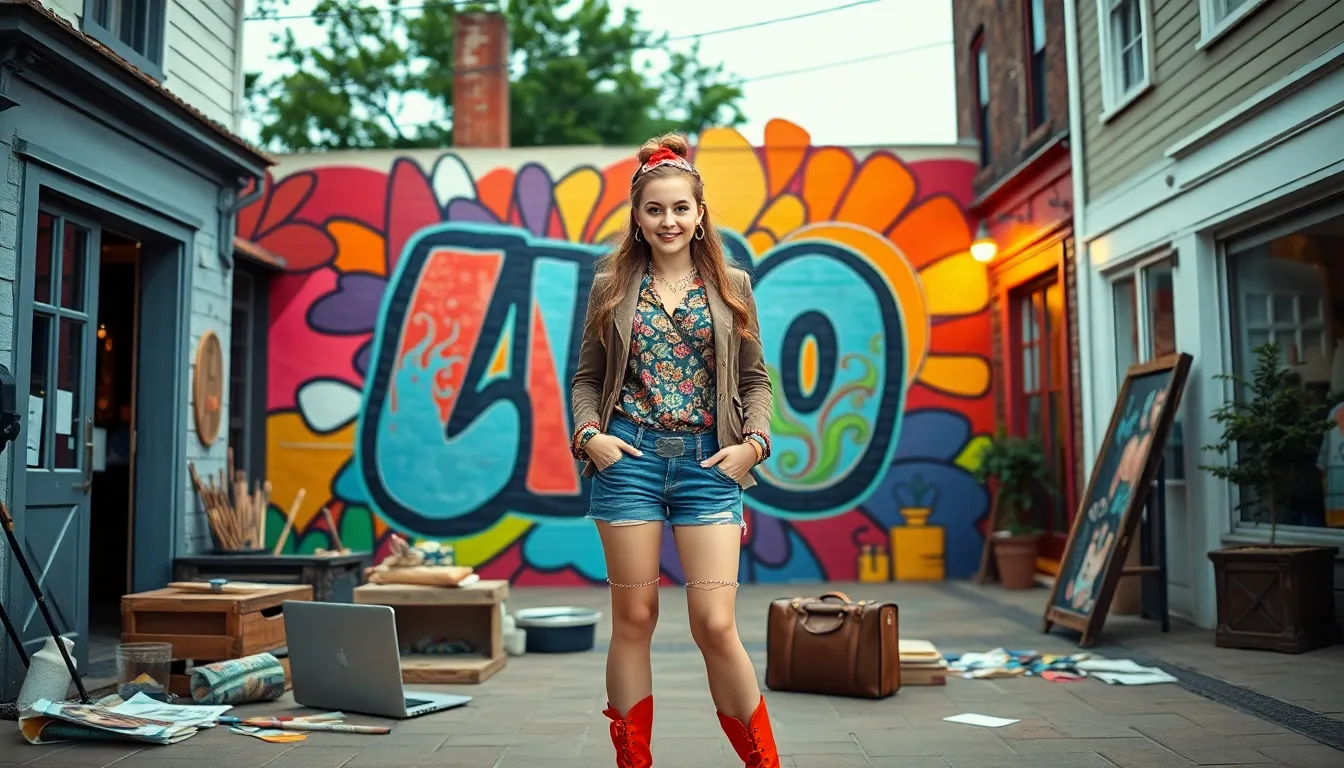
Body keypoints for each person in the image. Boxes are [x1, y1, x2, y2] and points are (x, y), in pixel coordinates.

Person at [570, 133, 778, 768]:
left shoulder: (732, 283)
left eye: (680, 208)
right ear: (638, 216)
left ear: (700, 212)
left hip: (709, 465)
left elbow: (754, 379)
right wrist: (590, 437)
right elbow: (586, 377)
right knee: (634, 618)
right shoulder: (610, 283)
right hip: (627, 462)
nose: (669, 220)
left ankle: (763, 764)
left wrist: (755, 445)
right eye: (655, 209)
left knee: (714, 624)